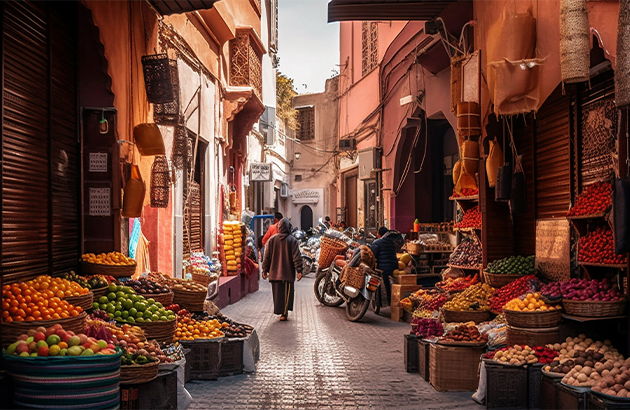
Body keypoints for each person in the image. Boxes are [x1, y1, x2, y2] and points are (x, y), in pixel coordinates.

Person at [262, 218, 303, 321]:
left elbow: (266, 257)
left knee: (278, 294)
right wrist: (299, 270)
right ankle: (284, 313)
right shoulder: (292, 240)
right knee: (286, 294)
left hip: (275, 274)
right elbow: (296, 257)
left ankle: (281, 312)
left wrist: (264, 270)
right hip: (287, 274)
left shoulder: (272, 240)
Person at [370, 227, 404, 305]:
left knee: (382, 284)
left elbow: (373, 255)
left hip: (383, 268)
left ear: (379, 234)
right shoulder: (392, 242)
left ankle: (385, 301)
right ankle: (392, 300)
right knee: (392, 284)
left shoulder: (377, 242)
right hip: (394, 266)